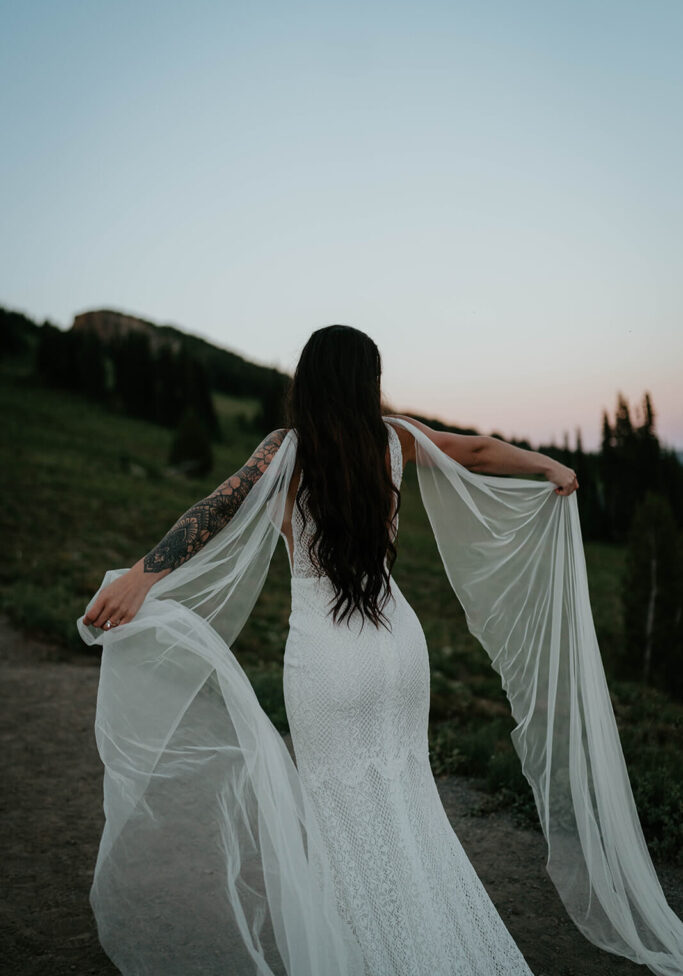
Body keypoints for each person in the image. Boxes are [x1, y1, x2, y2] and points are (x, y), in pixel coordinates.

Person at [80, 326, 682, 976]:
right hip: (398, 648)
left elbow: (217, 508)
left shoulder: (286, 448)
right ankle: (432, 939)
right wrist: (547, 466)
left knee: (342, 819)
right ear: (365, 382)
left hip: (328, 658)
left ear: (307, 380)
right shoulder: (393, 439)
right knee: (407, 801)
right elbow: (476, 450)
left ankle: (367, 953)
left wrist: (143, 575)